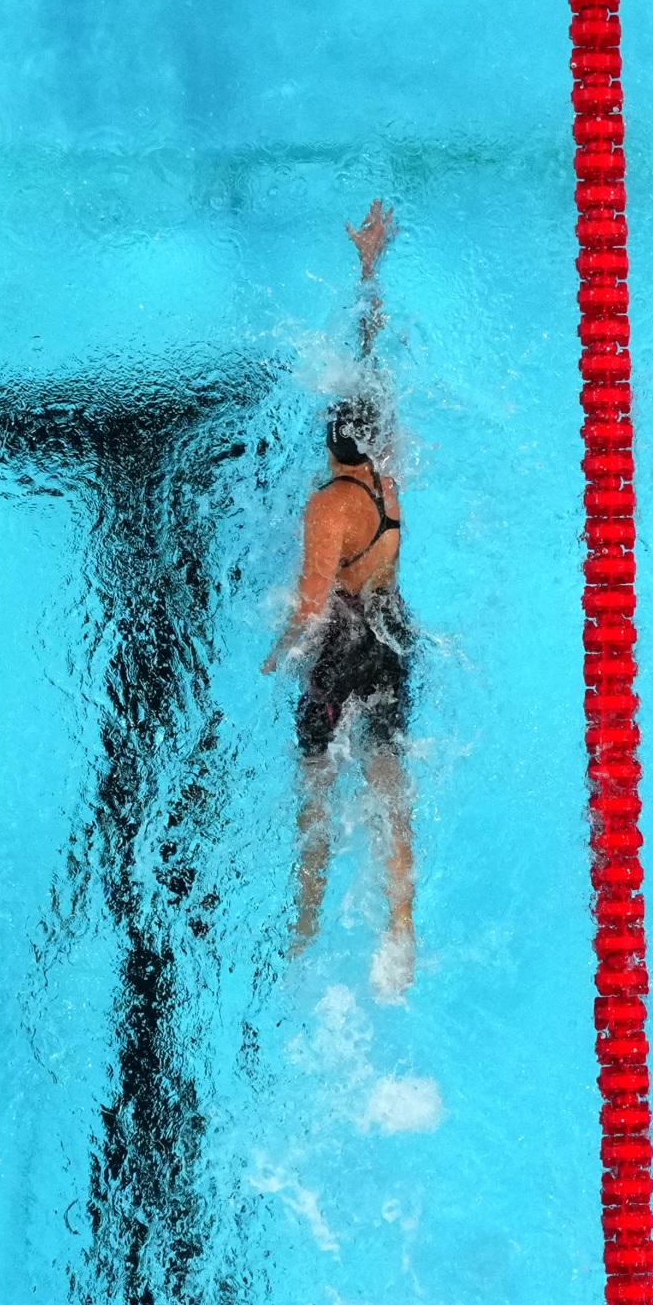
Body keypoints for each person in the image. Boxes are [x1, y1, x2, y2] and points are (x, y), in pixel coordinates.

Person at [264, 203, 417, 999]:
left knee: (317, 789)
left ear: (331, 439)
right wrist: (370, 272)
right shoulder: (388, 484)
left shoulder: (329, 507)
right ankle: (400, 925)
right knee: (389, 781)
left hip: (343, 643)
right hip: (393, 628)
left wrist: (276, 651)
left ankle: (307, 924)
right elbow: (370, 375)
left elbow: (311, 602)